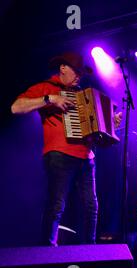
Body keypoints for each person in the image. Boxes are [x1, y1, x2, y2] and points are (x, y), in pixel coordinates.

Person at [11, 52, 122, 246]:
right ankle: (47, 252)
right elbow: (16, 107)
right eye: (76, 71)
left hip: (87, 156)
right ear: (62, 68)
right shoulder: (46, 88)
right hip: (59, 155)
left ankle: (91, 251)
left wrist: (111, 125)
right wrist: (50, 99)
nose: (79, 76)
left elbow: (100, 136)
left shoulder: (84, 96)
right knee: (57, 205)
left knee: (91, 206)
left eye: (81, 73)